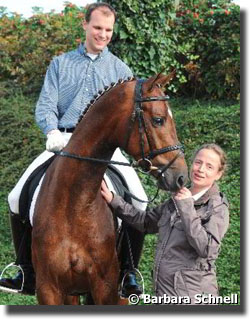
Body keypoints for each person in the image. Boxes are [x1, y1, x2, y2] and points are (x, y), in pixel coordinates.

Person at [0, 2, 147, 296]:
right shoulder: (60, 64)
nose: (102, 34)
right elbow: (46, 104)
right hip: (63, 141)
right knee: (16, 196)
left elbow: (128, 116)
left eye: (108, 30)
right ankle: (25, 269)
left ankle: (128, 272)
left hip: (106, 150)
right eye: (97, 28)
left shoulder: (121, 70)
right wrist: (51, 130)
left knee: (140, 201)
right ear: (84, 25)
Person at [101, 144, 230, 304]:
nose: (201, 169)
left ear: (218, 174)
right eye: (198, 162)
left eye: (209, 166)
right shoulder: (179, 196)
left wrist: (187, 207)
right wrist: (114, 200)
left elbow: (207, 249)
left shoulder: (216, 206)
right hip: (164, 294)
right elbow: (145, 222)